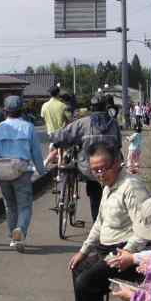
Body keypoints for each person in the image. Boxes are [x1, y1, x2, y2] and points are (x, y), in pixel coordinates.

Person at [68, 142, 151, 301]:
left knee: (86, 281)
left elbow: (145, 227)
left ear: (116, 163)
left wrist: (128, 253)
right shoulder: (107, 186)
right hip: (106, 249)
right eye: (94, 170)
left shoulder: (131, 187)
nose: (99, 174)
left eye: (103, 168)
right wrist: (84, 250)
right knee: (79, 266)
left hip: (125, 253)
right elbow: (99, 223)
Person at [0, 95, 47, 252]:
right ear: (22, 110)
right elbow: (36, 153)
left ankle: (12, 238)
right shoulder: (28, 127)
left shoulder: (0, 128)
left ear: (5, 111)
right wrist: (42, 171)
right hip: (22, 171)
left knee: (10, 206)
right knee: (24, 206)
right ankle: (20, 230)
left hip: (3, 171)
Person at [47, 93, 122, 222]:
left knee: (94, 197)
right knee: (112, 195)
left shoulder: (83, 123)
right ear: (106, 107)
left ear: (91, 108)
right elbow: (119, 145)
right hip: (110, 169)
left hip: (90, 169)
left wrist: (54, 138)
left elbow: (63, 136)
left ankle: (97, 225)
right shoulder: (114, 124)